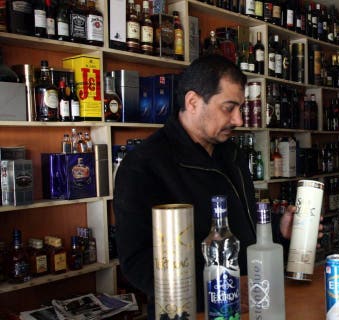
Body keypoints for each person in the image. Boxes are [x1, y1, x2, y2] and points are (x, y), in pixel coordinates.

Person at [113, 55, 297, 316]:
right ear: (192, 102)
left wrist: (277, 231)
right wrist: (221, 290)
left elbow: (242, 227)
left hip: (251, 305)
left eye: (240, 108)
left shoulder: (232, 155)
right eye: (229, 107)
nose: (239, 120)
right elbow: (137, 263)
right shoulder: (144, 164)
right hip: (190, 312)